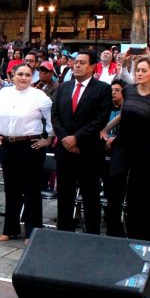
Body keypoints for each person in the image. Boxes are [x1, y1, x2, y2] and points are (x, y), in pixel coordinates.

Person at [0, 63, 54, 243]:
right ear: (13, 75)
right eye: (20, 74)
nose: (24, 78)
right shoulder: (4, 93)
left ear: (33, 77)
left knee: (31, 189)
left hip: (31, 146)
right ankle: (11, 229)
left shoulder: (39, 96)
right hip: (8, 145)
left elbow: (51, 117)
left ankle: (33, 231)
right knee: (11, 188)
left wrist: (48, 139)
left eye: (28, 75)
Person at [101, 57, 150, 241]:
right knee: (115, 180)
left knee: (137, 192)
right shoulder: (129, 90)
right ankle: (114, 229)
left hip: (145, 147)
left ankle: (137, 233)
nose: (139, 73)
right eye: (137, 70)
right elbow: (122, 115)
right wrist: (105, 128)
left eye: (144, 70)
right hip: (123, 143)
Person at [52, 51, 112, 235]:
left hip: (88, 151)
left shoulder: (102, 89)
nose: (77, 65)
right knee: (64, 194)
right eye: (75, 62)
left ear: (93, 66)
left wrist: (77, 138)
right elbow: (55, 116)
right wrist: (66, 139)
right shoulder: (64, 87)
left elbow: (100, 119)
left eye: (82, 63)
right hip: (65, 149)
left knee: (90, 195)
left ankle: (92, 234)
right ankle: (64, 231)